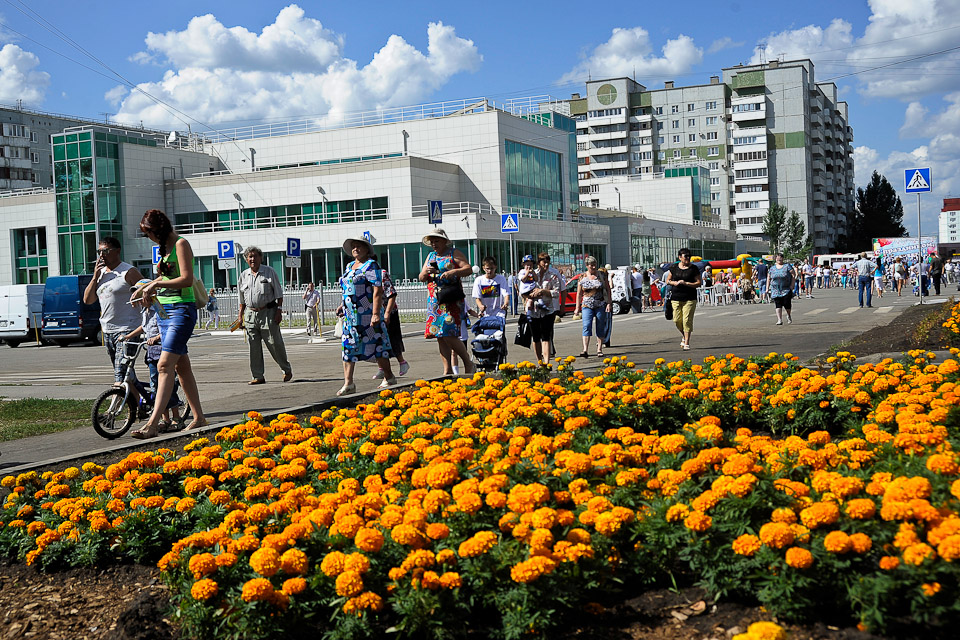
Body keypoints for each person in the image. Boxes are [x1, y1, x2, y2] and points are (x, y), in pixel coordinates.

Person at [130, 209, 206, 438]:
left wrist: (154, 285)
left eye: (150, 233)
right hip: (164, 313)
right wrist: (147, 289)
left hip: (181, 311)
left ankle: (152, 424)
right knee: (182, 367)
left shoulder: (181, 244)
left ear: (159, 230)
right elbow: (165, 279)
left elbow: (186, 279)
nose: (149, 238)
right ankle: (199, 417)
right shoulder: (163, 249)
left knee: (164, 365)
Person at [336, 238, 396, 395]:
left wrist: (376, 313)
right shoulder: (349, 266)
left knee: (376, 345)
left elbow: (377, 290)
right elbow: (348, 288)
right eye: (353, 247)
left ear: (367, 249)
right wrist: (343, 305)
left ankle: (389, 376)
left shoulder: (371, 265)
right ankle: (348, 383)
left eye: (359, 246)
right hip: (350, 317)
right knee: (347, 347)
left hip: (368, 314)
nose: (355, 249)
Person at [83, 237, 144, 387]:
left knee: (120, 375)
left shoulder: (128, 272)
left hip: (127, 329)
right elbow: (88, 300)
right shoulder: (101, 274)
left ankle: (113, 409)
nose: (102, 255)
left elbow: (146, 289)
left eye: (106, 251)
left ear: (117, 251)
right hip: (108, 330)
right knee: (127, 376)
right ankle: (142, 404)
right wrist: (95, 278)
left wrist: (139, 295)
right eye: (99, 252)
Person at [125, 280, 182, 432]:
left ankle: (176, 416)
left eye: (140, 294)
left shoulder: (159, 308)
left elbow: (168, 327)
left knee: (168, 386)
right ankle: (165, 419)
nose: (138, 300)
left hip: (164, 352)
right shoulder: (145, 312)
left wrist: (156, 338)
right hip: (151, 354)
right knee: (155, 386)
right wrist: (128, 336)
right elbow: (143, 328)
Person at [419, 228, 476, 376]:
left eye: (437, 240)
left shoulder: (453, 253)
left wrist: (453, 272)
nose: (434, 244)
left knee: (449, 333)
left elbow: (468, 269)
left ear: (444, 241)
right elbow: (421, 277)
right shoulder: (430, 256)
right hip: (435, 300)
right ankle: (447, 370)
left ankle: (468, 363)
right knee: (439, 335)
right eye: (432, 241)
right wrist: (426, 272)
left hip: (450, 299)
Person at [237, 246, 293, 385]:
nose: (252, 259)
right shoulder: (244, 275)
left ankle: (286, 369)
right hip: (250, 314)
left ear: (260, 257)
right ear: (246, 259)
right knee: (254, 347)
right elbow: (241, 299)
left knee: (274, 343)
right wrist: (240, 316)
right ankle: (258, 376)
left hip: (268, 312)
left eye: (255, 256)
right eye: (249, 257)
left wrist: (279, 311)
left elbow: (279, 294)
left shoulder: (269, 272)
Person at [372, 267, 410, 380]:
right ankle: (382, 369)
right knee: (377, 341)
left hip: (388, 311)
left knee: (392, 339)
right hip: (374, 313)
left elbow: (392, 294)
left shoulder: (381, 274)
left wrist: (387, 313)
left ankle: (402, 362)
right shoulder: (364, 275)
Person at [573, 256, 611, 358]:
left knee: (600, 326)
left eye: (595, 264)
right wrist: (577, 307)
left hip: (600, 304)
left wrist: (609, 303)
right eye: (591, 265)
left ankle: (599, 349)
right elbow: (579, 293)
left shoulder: (601, 275)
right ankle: (585, 349)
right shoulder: (582, 277)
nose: (593, 267)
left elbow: (608, 289)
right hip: (586, 305)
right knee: (586, 325)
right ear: (587, 266)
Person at [666, 248, 701, 350]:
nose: (688, 258)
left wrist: (686, 283)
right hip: (676, 297)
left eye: (689, 256)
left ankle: (687, 342)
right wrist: (674, 283)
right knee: (677, 320)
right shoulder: (674, 267)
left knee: (686, 320)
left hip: (690, 298)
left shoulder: (693, 268)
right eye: (685, 256)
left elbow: (698, 283)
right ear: (680, 257)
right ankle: (684, 336)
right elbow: (668, 280)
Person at [536, 252, 564, 357]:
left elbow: (557, 293)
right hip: (534, 310)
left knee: (546, 334)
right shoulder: (533, 275)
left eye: (548, 262)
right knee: (536, 336)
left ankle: (548, 356)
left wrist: (544, 291)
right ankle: (539, 358)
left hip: (548, 309)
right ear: (538, 263)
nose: (546, 265)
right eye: (544, 262)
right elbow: (525, 290)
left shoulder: (553, 275)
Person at [767, 254, 797, 325]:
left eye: (780, 258)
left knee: (787, 304)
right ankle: (779, 320)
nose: (779, 259)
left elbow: (793, 275)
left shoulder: (787, 266)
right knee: (778, 304)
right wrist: (767, 288)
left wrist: (792, 285)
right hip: (775, 289)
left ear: (783, 259)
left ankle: (788, 315)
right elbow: (769, 278)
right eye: (777, 258)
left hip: (786, 289)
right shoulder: (772, 268)